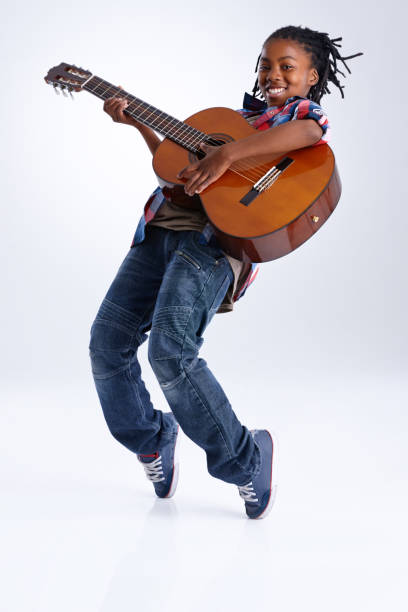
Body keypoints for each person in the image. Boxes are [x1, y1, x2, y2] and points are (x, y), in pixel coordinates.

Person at [89, 25, 363, 519]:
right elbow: (173, 169)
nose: (272, 74)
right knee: (106, 342)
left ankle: (248, 457)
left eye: (286, 66)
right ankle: (152, 439)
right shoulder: (230, 120)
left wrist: (228, 153)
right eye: (265, 64)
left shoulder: (294, 119)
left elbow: (310, 132)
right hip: (159, 230)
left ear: (312, 76)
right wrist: (139, 125)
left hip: (213, 242)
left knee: (170, 352)